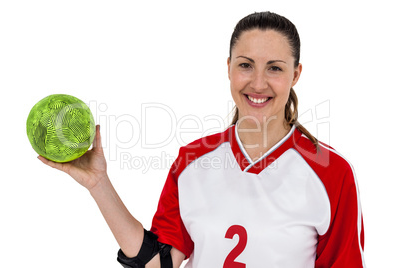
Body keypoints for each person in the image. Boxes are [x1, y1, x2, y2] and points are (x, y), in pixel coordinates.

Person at [39, 11, 366, 268]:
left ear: (296, 74)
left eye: (275, 68)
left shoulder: (332, 171)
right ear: (228, 68)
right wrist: (99, 184)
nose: (258, 82)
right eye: (246, 65)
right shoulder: (192, 160)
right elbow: (160, 263)